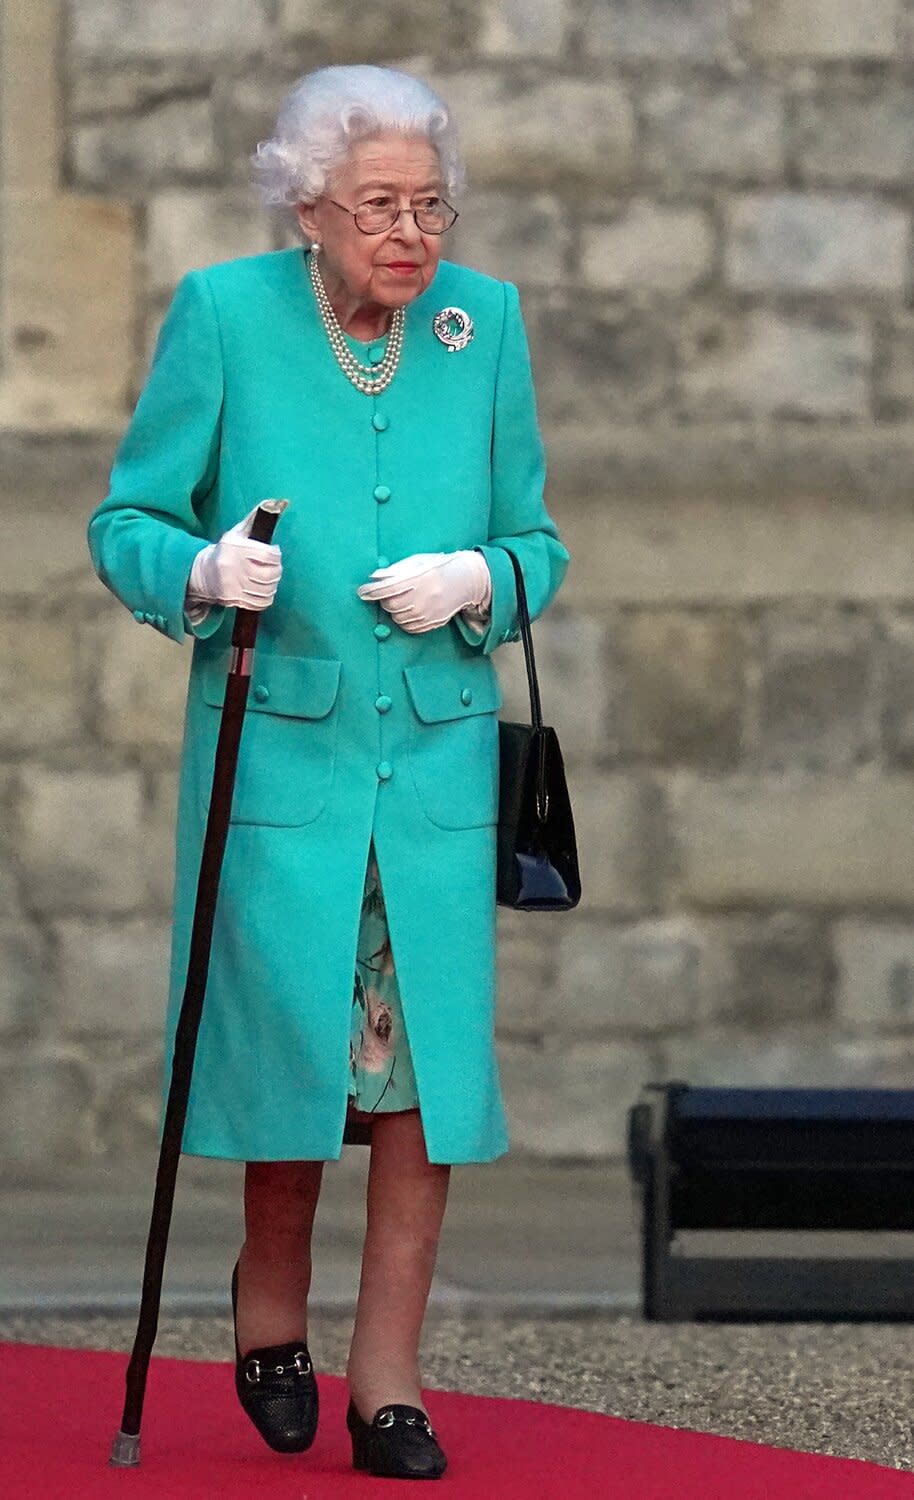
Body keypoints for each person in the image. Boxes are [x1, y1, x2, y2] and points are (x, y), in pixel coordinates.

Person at [86, 62, 570, 1480]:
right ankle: (268, 1306)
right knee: (297, 1060)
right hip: (281, 774)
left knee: (418, 1089)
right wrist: (199, 566)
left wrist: (478, 574)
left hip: (426, 777)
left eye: (430, 204)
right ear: (307, 205)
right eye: (378, 206)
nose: (411, 234)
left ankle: (391, 1380)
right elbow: (126, 517)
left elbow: (538, 544)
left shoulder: (486, 328)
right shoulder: (225, 315)